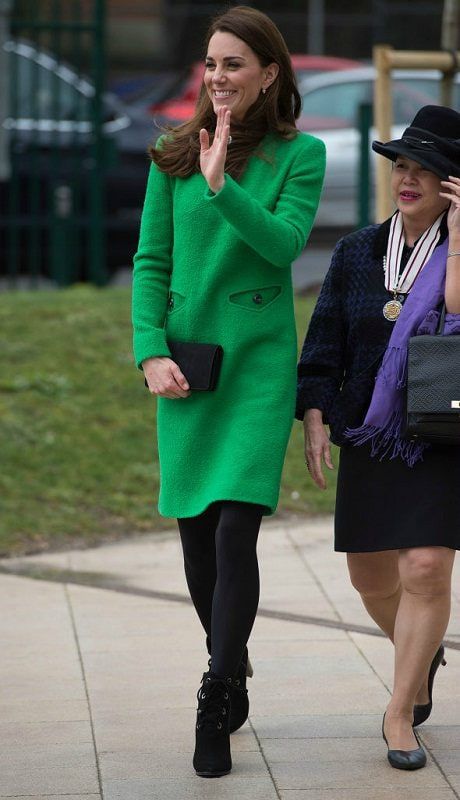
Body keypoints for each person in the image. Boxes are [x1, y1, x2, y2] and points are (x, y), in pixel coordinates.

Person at [132, 5, 325, 778]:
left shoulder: (298, 154)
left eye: (234, 64)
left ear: (269, 74)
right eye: (211, 63)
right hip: (186, 365)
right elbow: (151, 262)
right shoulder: (170, 152)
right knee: (195, 544)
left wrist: (223, 188)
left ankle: (214, 694)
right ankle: (231, 656)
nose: (217, 77)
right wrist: (149, 353)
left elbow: (283, 246)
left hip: (256, 369)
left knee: (234, 529)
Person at [296, 105, 460, 771]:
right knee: (369, 573)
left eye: (429, 169)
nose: (409, 178)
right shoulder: (358, 251)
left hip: (445, 429)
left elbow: (456, 313)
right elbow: (326, 334)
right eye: (404, 166)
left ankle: (399, 711)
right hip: (369, 428)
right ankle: (420, 654)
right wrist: (313, 409)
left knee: (425, 564)